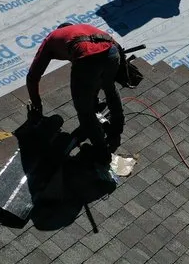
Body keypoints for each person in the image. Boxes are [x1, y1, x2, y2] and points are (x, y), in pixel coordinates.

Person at [26, 22, 124, 183]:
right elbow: (113, 44)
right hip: (112, 51)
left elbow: (32, 77)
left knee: (84, 110)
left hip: (87, 58)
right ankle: (117, 128)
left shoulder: (51, 39)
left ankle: (102, 153)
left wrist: (37, 105)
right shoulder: (82, 28)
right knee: (109, 87)